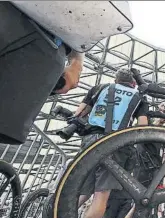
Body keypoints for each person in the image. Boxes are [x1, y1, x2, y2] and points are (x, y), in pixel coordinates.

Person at [28, 68, 149, 218]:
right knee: (101, 196)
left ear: (115, 80)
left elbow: (79, 113)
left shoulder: (99, 88)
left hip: (89, 142)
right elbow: (143, 127)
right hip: (114, 145)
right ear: (133, 84)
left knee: (78, 194)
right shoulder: (138, 97)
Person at [0, 1, 132, 145]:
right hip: (44, 48)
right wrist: (76, 65)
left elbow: (80, 109)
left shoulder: (101, 89)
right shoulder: (134, 95)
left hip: (40, 43)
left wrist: (76, 64)